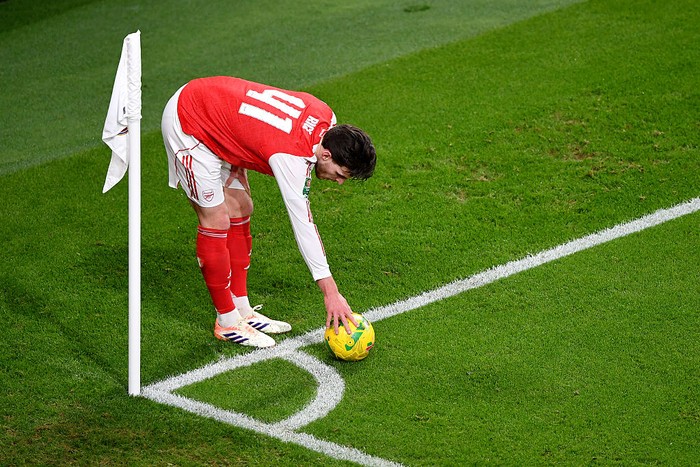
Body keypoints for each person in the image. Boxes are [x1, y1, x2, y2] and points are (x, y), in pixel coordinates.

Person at [161, 76, 376, 348]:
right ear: (326, 156)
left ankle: (242, 310)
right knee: (216, 218)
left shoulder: (326, 117)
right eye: (341, 174)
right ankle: (226, 321)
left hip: (221, 114)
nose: (340, 181)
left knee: (241, 207)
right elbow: (303, 224)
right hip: (191, 122)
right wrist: (331, 293)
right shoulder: (291, 158)